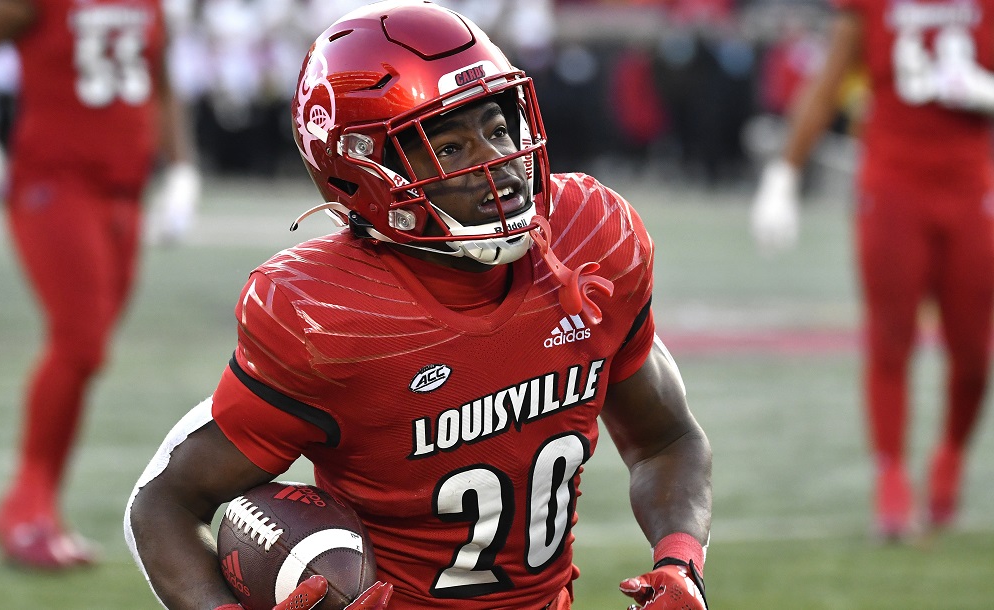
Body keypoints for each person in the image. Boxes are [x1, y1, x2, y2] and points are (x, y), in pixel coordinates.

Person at [125, 2, 712, 609]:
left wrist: (680, 560)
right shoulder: (327, 315)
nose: (497, 163)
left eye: (497, 127)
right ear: (364, 172)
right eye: (450, 146)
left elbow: (666, 440)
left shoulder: (590, 239)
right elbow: (164, 504)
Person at [0, 0, 200, 569]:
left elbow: (159, 83)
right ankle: (26, 505)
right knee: (79, 342)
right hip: (55, 184)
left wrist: (181, 169)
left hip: (124, 192)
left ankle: (38, 507)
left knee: (86, 354)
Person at [750, 0, 994, 540]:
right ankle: (892, 479)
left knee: (975, 351)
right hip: (892, 184)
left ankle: (950, 456)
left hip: (971, 184)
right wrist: (784, 172)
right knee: (890, 338)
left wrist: (983, 89)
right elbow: (830, 78)